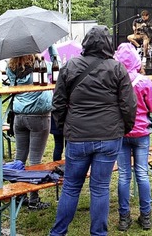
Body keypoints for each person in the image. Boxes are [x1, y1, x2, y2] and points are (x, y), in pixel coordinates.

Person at [50, 26, 137, 236]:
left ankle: (58, 233)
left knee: (71, 187)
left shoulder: (70, 66)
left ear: (86, 42)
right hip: (108, 136)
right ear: (108, 44)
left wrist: (64, 129)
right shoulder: (117, 69)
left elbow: (58, 103)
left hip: (79, 136)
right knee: (99, 189)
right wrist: (123, 129)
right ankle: (98, 233)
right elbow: (129, 105)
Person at [114, 43, 152, 231]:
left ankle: (124, 218)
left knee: (124, 176)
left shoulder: (113, 82)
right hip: (141, 132)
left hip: (121, 133)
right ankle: (146, 216)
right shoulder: (144, 81)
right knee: (142, 174)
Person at [6, 53, 53, 210]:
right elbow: (57, 65)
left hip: (18, 116)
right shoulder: (40, 65)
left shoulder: (11, 67)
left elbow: (12, 88)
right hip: (38, 116)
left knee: (19, 158)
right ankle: (34, 200)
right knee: (35, 161)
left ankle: (20, 194)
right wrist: (52, 49)